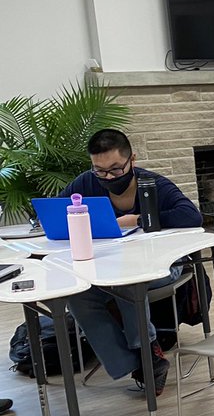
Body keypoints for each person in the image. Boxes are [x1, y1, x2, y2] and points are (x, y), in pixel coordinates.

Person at [61, 128, 203, 395]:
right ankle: (132, 362)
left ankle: (148, 353)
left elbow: (191, 216)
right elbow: (56, 211)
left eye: (115, 170)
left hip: (164, 265)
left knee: (127, 281)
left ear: (132, 161)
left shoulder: (152, 184)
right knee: (78, 296)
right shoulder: (86, 183)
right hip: (108, 266)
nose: (108, 177)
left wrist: (137, 220)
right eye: (99, 171)